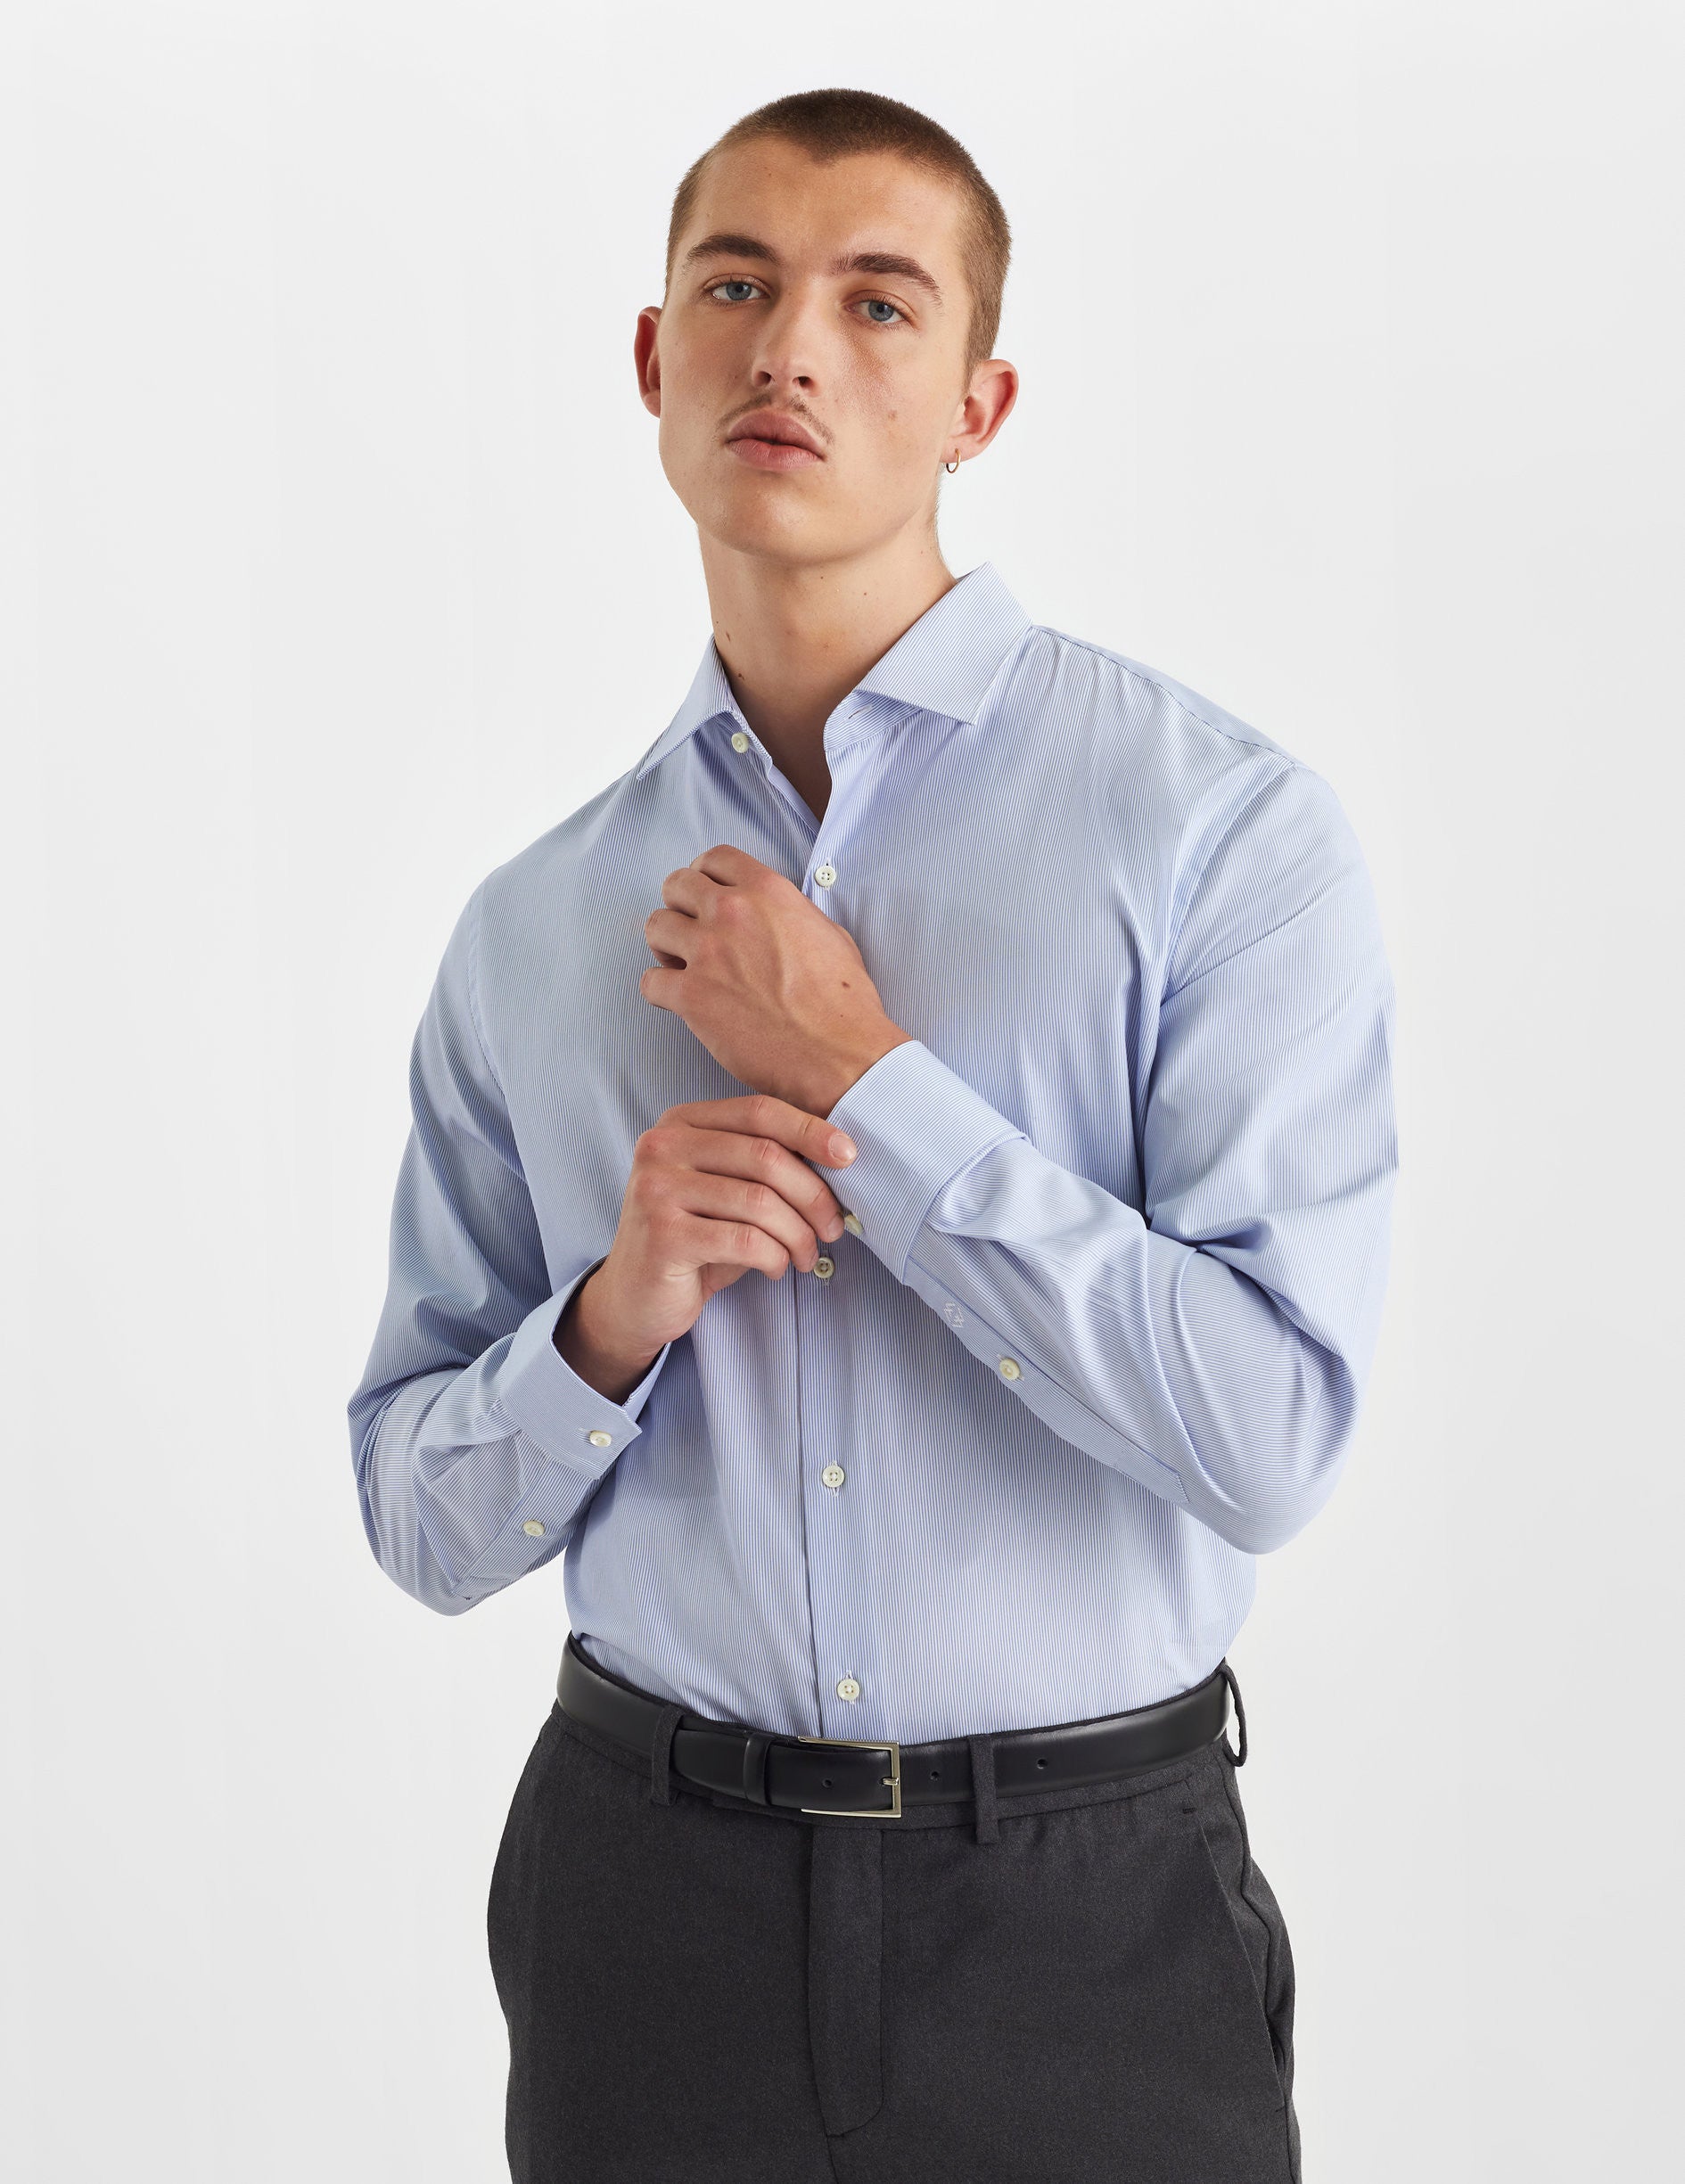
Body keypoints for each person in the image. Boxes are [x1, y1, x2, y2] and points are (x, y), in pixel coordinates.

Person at [348, 86, 1396, 2184]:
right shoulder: (534, 929)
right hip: (648, 1907)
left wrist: (870, 1087)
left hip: (1086, 1921)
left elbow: (1272, 1435)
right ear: (654, 358)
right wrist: (608, 1320)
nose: (792, 349)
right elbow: (418, 1515)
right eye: (735, 286)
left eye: (879, 301)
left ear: (978, 402)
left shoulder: (1218, 832)